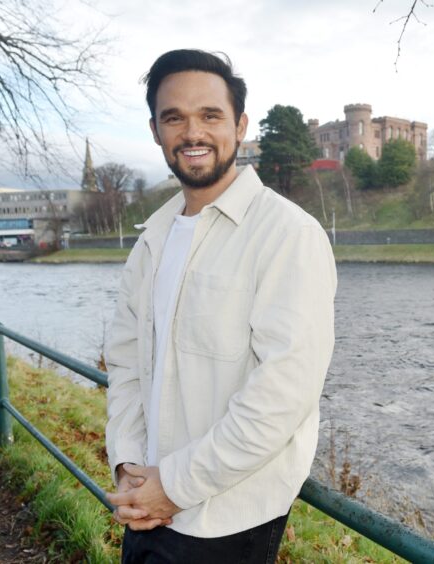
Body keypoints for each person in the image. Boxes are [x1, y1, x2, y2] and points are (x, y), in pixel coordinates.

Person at [104, 49, 337, 563]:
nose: (193, 133)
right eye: (174, 118)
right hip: (145, 503)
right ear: (155, 130)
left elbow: (283, 393)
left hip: (228, 521)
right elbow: (124, 363)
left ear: (240, 125)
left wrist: (176, 486)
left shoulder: (287, 235)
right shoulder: (153, 240)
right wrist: (127, 463)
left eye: (210, 115)